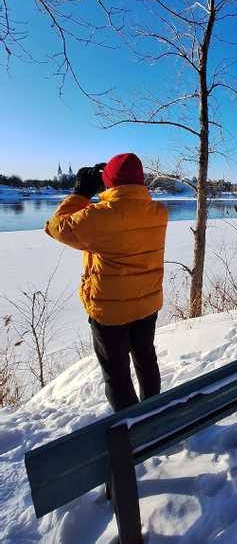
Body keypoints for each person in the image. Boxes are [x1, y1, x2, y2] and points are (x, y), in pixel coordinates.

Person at [45, 153, 168, 411]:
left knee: (117, 374)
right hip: (147, 303)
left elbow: (56, 227)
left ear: (110, 182)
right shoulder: (158, 212)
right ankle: (154, 412)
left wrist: (81, 193)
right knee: (146, 359)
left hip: (110, 311)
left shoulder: (100, 216)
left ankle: (132, 425)